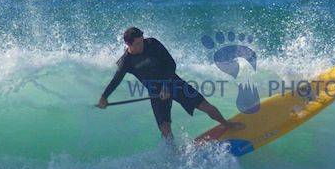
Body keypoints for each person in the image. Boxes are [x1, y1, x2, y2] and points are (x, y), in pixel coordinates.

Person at [98, 27, 243, 140]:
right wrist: (104, 97)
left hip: (173, 82)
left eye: (142, 41)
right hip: (155, 93)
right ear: (128, 44)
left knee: (205, 106)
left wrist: (166, 86)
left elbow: (171, 63)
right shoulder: (126, 61)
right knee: (165, 129)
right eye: (138, 44)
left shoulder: (152, 43)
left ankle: (227, 124)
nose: (142, 45)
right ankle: (173, 154)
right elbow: (116, 80)